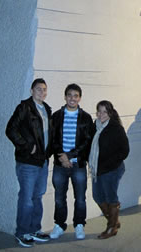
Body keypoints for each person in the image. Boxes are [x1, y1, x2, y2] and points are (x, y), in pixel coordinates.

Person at [6, 78, 52, 247]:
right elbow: (10, 129)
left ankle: (34, 229)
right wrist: (27, 146)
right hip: (28, 162)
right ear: (32, 90)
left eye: (44, 89)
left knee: (37, 197)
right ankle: (22, 232)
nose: (42, 92)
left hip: (43, 162)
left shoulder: (46, 109)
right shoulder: (24, 107)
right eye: (39, 89)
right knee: (26, 198)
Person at [50, 83, 93, 240]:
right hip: (60, 165)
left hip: (78, 165)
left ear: (79, 98)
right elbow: (52, 139)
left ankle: (79, 225)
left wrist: (70, 155)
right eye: (69, 95)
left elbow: (87, 141)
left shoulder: (86, 118)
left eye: (75, 95)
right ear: (65, 97)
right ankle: (59, 225)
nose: (72, 98)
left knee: (80, 198)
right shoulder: (56, 116)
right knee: (59, 197)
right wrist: (62, 156)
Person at [89, 100, 129, 239]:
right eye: (99, 111)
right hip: (98, 169)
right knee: (97, 196)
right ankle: (114, 221)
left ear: (110, 113)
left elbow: (124, 151)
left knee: (110, 197)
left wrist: (110, 164)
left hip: (112, 169)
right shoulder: (95, 127)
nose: (101, 114)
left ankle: (111, 227)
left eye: (104, 111)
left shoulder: (116, 128)